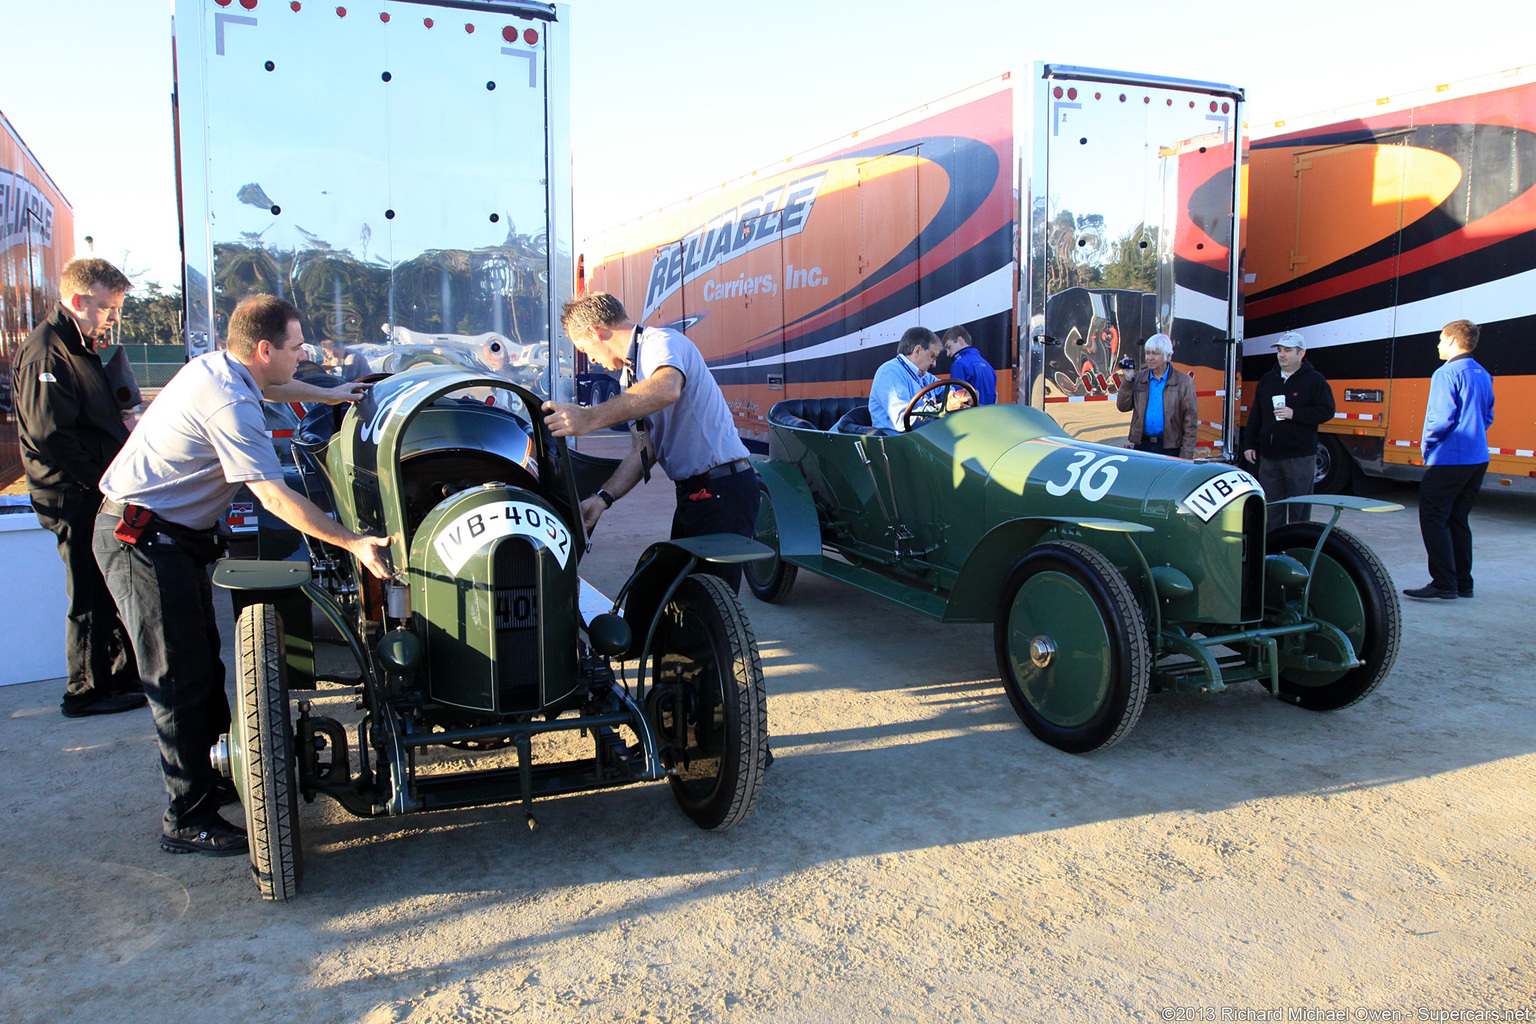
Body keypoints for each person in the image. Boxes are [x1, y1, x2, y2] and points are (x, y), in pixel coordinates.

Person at [94, 295, 393, 857]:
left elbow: (275, 387)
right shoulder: (229, 399)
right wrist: (352, 541)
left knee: (204, 666)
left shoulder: (223, 369)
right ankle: (186, 818)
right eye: (296, 347)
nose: (302, 356)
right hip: (141, 540)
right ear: (264, 348)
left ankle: (220, 781)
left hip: (174, 539)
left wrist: (328, 394)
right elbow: (274, 496)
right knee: (178, 679)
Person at [541, 292, 759, 592]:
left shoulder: (661, 343)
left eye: (584, 348)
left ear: (594, 331)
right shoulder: (630, 376)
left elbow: (667, 388)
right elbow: (644, 450)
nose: (589, 359)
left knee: (710, 601)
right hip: (696, 495)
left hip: (724, 491)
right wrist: (602, 499)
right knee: (679, 595)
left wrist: (589, 418)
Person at [15, 258, 146, 718]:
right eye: (108, 308)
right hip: (72, 494)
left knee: (106, 587)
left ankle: (116, 676)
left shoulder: (79, 345)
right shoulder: (47, 353)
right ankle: (85, 690)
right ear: (77, 301)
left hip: (92, 488)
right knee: (89, 590)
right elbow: (52, 435)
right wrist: (99, 480)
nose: (112, 317)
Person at [1403, 319, 1495, 601]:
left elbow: (1441, 419)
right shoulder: (1482, 373)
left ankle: (1443, 582)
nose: (1439, 345)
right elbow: (1487, 416)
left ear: (1454, 341)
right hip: (1478, 457)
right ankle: (1462, 582)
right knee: (1458, 518)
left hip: (1450, 458)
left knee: (1433, 515)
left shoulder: (1446, 373)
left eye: (1442, 339)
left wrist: (1427, 444)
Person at [1240, 330, 1335, 525]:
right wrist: (1249, 444)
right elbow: (1256, 414)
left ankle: (1294, 549)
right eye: (1280, 350)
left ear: (1301, 353)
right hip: (1270, 458)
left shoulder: (1314, 380)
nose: (1281, 354)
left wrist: (1295, 414)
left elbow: (1327, 411)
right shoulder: (1268, 379)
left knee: (1299, 511)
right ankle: (1273, 550)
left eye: (1288, 350)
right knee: (1271, 509)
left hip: (1299, 458)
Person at [1116, 333, 1198, 459]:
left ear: (1168, 356)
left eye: (1155, 353)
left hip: (1169, 448)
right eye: (1148, 353)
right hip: (1142, 445)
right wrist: (1128, 380)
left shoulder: (1183, 381)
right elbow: (1123, 406)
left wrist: (1186, 455)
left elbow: (1190, 421)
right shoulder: (1139, 377)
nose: (1150, 357)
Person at [869, 327, 950, 432]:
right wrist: (944, 408)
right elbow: (903, 420)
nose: (934, 364)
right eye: (932, 356)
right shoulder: (890, 371)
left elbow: (946, 389)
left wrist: (956, 397)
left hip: (921, 435)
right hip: (896, 440)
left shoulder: (925, 376)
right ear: (917, 351)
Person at [941, 325, 997, 405]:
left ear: (960, 340)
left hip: (969, 415)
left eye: (949, 347)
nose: (948, 353)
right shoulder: (989, 367)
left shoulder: (959, 364)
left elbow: (956, 400)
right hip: (988, 414)